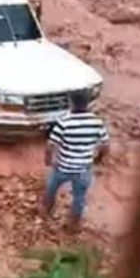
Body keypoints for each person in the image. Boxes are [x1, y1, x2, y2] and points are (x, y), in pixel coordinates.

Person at [42, 91, 109, 228]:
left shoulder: (64, 122)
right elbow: (106, 145)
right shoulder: (97, 122)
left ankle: (45, 212)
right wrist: (98, 159)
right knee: (79, 198)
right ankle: (73, 224)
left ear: (71, 104)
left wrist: (48, 160)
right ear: (88, 104)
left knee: (51, 189)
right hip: (84, 169)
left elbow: (50, 145)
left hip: (62, 167)